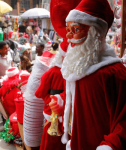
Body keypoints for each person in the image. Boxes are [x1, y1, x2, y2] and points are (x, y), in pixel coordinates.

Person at [50, 0, 126, 150]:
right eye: (68, 29)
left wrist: (111, 145)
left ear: (94, 33)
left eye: (75, 29)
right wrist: (62, 101)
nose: (69, 37)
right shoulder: (79, 68)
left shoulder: (114, 74)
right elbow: (81, 100)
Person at [35, 40, 68, 150]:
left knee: (49, 142)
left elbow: (39, 93)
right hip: (66, 112)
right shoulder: (72, 73)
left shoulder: (50, 72)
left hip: (51, 109)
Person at [23, 51, 55, 150]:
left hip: (31, 112)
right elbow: (39, 94)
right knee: (35, 133)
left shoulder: (34, 76)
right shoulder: (42, 77)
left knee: (31, 131)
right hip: (36, 113)